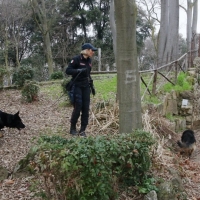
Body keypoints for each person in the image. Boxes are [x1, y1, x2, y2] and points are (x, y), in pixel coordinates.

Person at [66, 43, 97, 136]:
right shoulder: (76, 59)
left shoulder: (89, 61)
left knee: (85, 108)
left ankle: (83, 130)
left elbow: (88, 74)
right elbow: (68, 70)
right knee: (78, 107)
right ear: (86, 50)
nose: (93, 52)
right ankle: (72, 128)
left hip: (86, 86)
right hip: (77, 86)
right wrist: (78, 71)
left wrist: (92, 86)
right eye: (92, 50)